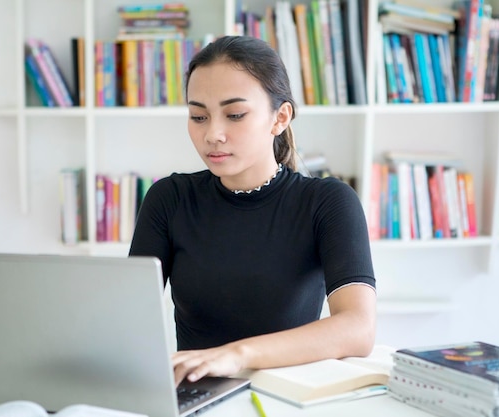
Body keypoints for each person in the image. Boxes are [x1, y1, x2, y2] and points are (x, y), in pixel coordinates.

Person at [129, 35, 376, 386]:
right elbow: (129, 319)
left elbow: (358, 328)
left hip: (289, 398)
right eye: (198, 116)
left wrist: (237, 354)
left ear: (280, 118)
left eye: (234, 115)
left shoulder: (327, 202)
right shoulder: (169, 198)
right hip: (196, 400)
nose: (213, 133)